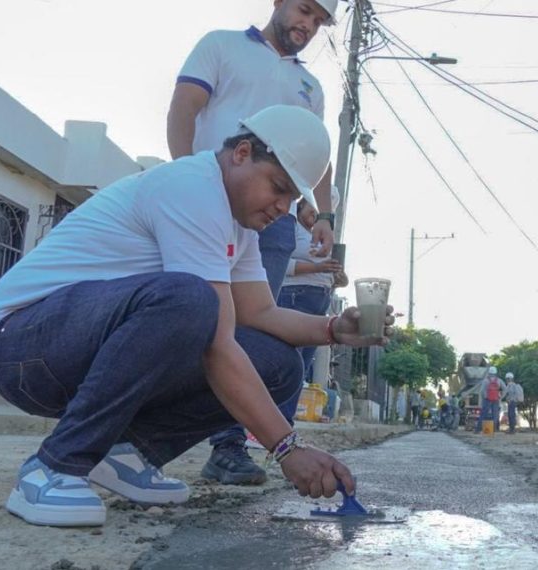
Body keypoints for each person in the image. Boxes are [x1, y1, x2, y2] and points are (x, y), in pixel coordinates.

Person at [0, 105, 394, 528]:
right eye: (278, 187)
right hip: (18, 347)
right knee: (191, 299)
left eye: (292, 199)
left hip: (75, 347)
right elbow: (216, 342)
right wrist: (287, 448)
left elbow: (259, 313)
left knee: (277, 362)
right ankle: (53, 466)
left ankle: (128, 453)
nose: (282, 208)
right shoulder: (192, 188)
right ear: (242, 153)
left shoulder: (239, 225)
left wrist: (334, 330)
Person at [167, 0, 343, 486]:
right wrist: (186, 176)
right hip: (208, 206)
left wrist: (320, 216)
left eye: (319, 21)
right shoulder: (221, 46)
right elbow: (185, 106)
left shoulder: (311, 87)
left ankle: (231, 447)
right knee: (196, 318)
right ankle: (141, 436)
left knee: (260, 332)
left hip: (274, 219)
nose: (308, 25)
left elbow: (316, 160)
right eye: (304, 10)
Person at [278, 198, 348, 384]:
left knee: (302, 366)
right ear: (301, 204)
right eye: (314, 208)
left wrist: (339, 277)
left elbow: (336, 275)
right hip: (294, 297)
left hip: (320, 300)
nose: (316, 214)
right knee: (288, 362)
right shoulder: (291, 228)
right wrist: (319, 269)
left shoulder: (323, 238)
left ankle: (288, 410)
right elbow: (281, 265)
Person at [474, 367, 505, 433]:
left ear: (489, 373)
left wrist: (485, 397)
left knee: (483, 414)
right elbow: (505, 389)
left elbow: (482, 391)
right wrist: (501, 397)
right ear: (496, 373)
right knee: (495, 415)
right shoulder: (499, 380)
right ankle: (493, 430)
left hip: (487, 399)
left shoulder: (486, 381)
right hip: (496, 400)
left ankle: (478, 429)